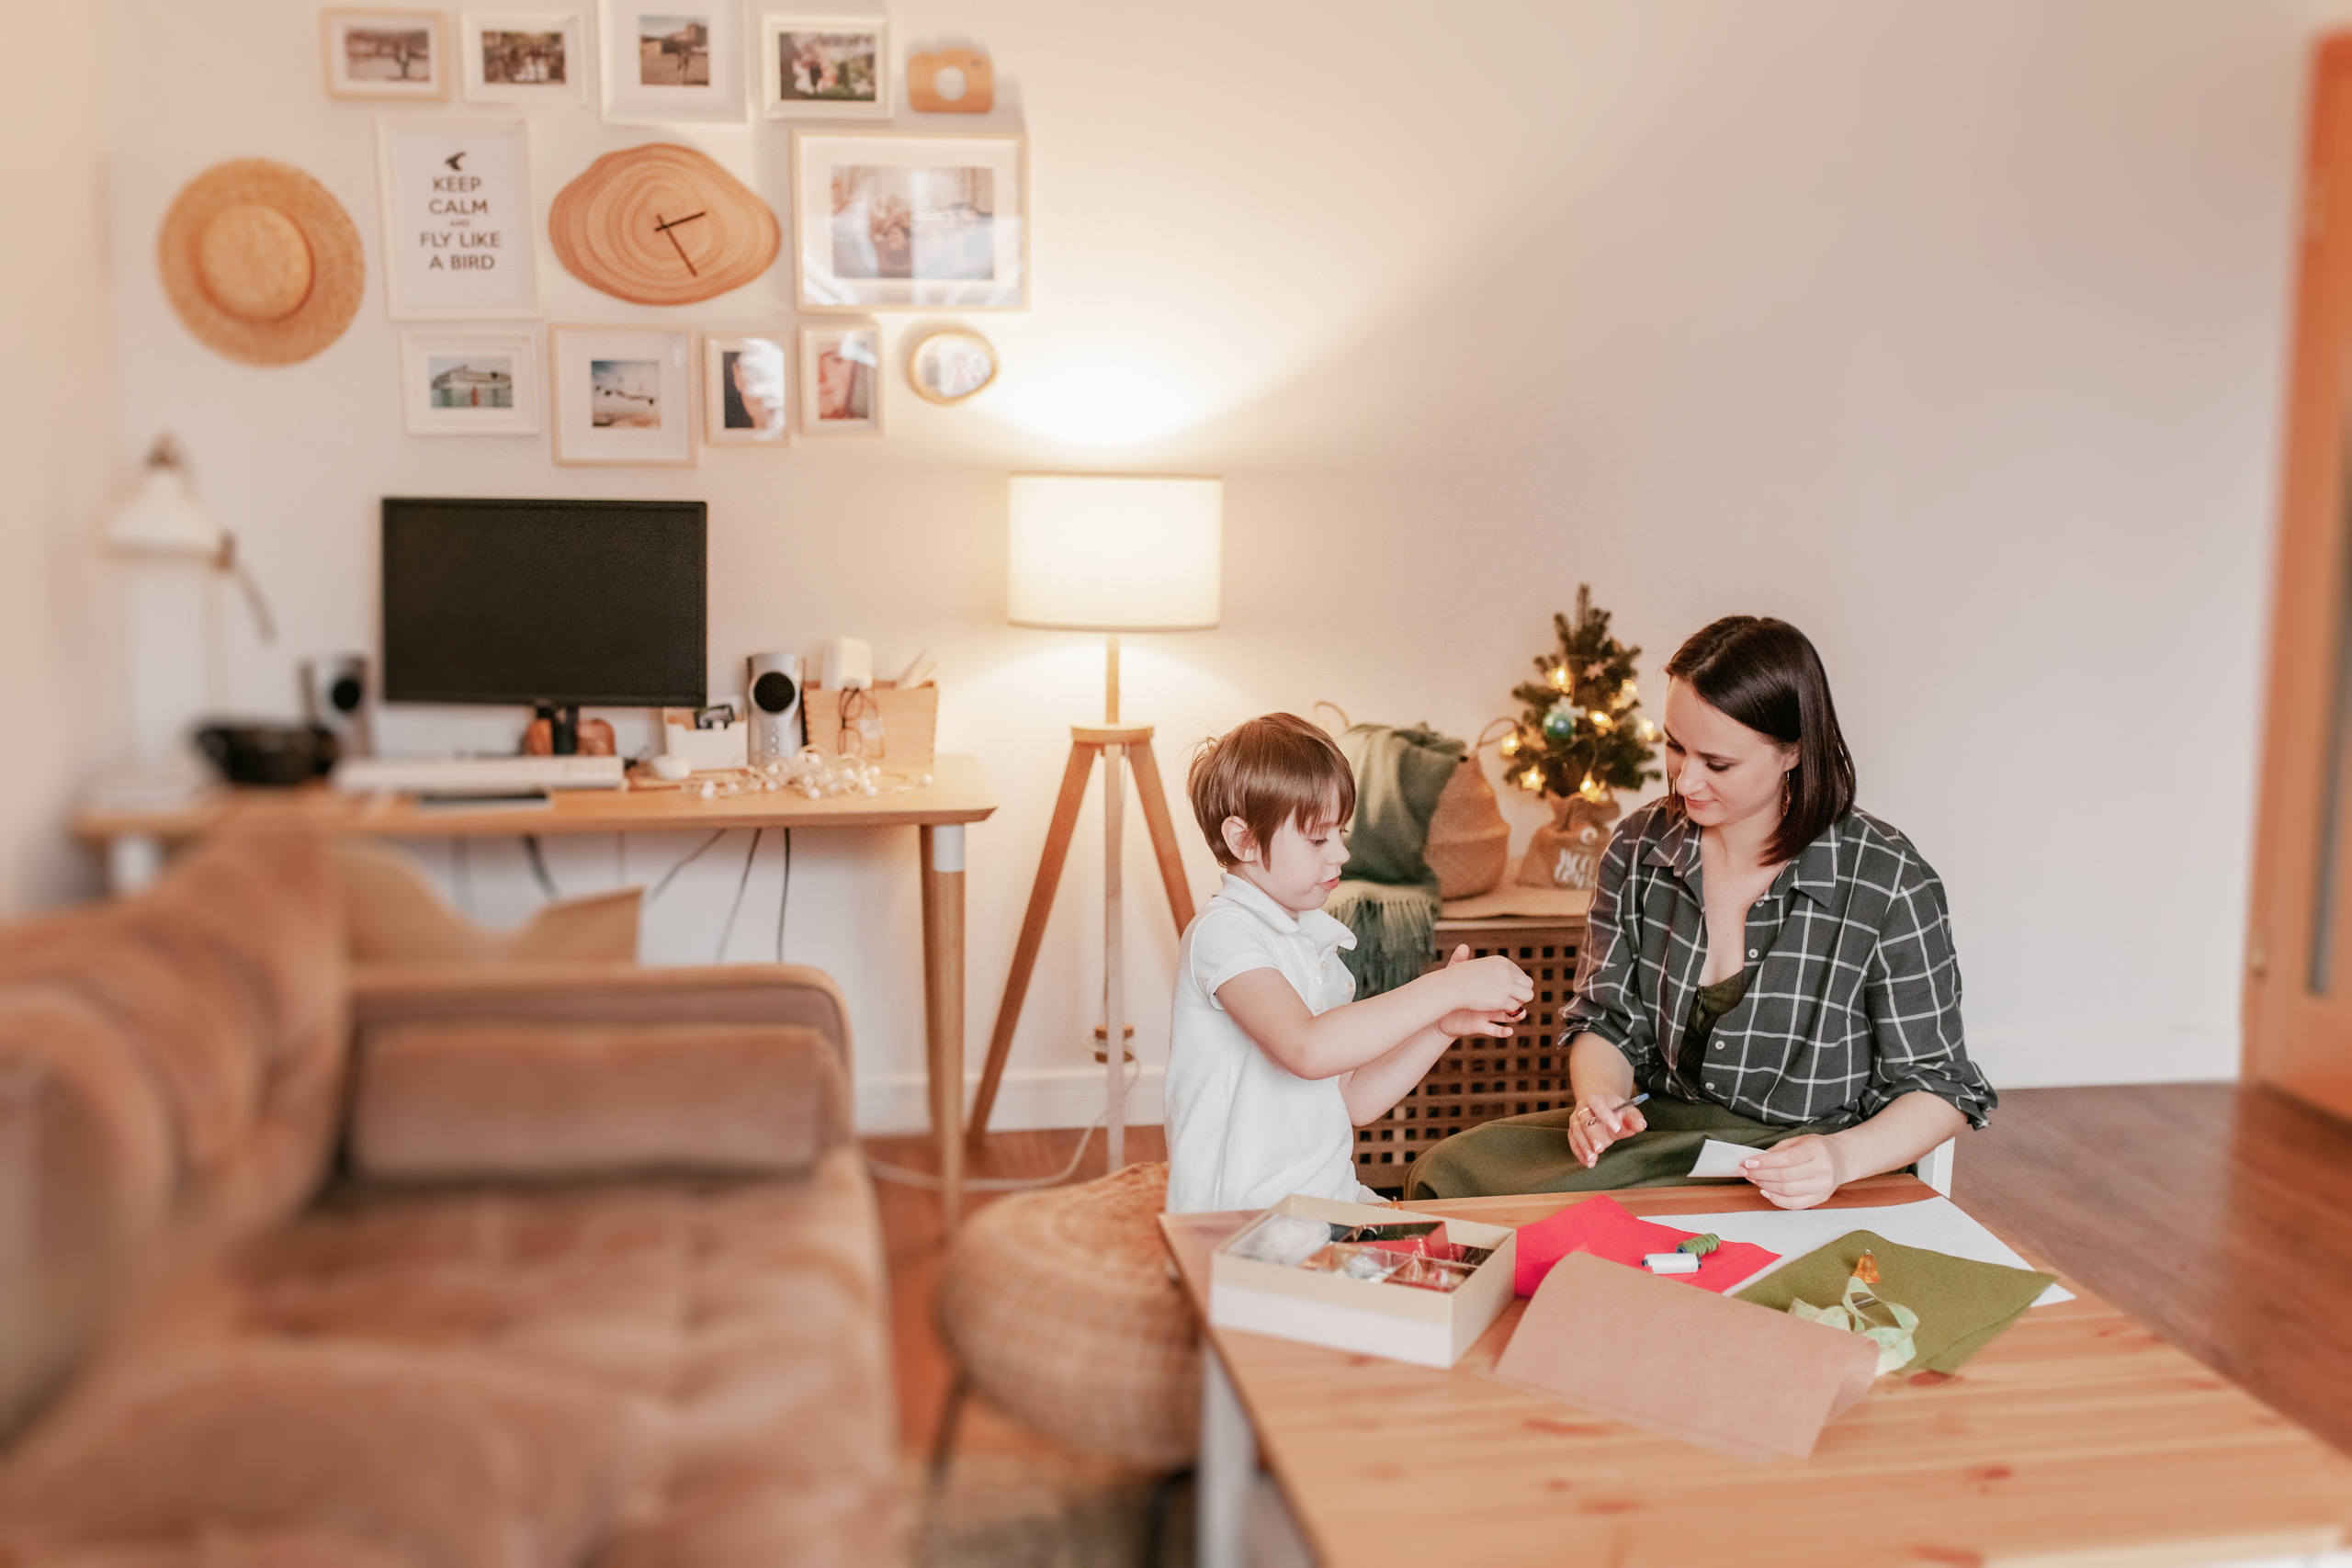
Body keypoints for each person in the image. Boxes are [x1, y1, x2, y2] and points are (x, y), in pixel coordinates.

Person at [1405, 617, 1994, 1210]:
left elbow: (1941, 1087)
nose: (1685, 779)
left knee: (1539, 1223)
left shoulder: (1889, 881)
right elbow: (1605, 1020)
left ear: (1792, 751)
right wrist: (1600, 1101)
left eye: (1717, 763)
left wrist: (1842, 1158)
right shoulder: (1639, 847)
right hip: (1661, 1138)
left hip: (1800, 1160)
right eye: (1675, 746)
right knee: (1445, 1175)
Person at [1164, 713, 1536, 1213]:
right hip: (1239, 1228)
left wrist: (1440, 1026)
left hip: (1323, 1209)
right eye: (1318, 838)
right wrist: (1445, 989)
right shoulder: (1223, 933)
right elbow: (1307, 1048)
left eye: (1340, 831)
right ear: (1243, 840)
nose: (1340, 852)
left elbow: (1353, 1099)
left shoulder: (1313, 940)